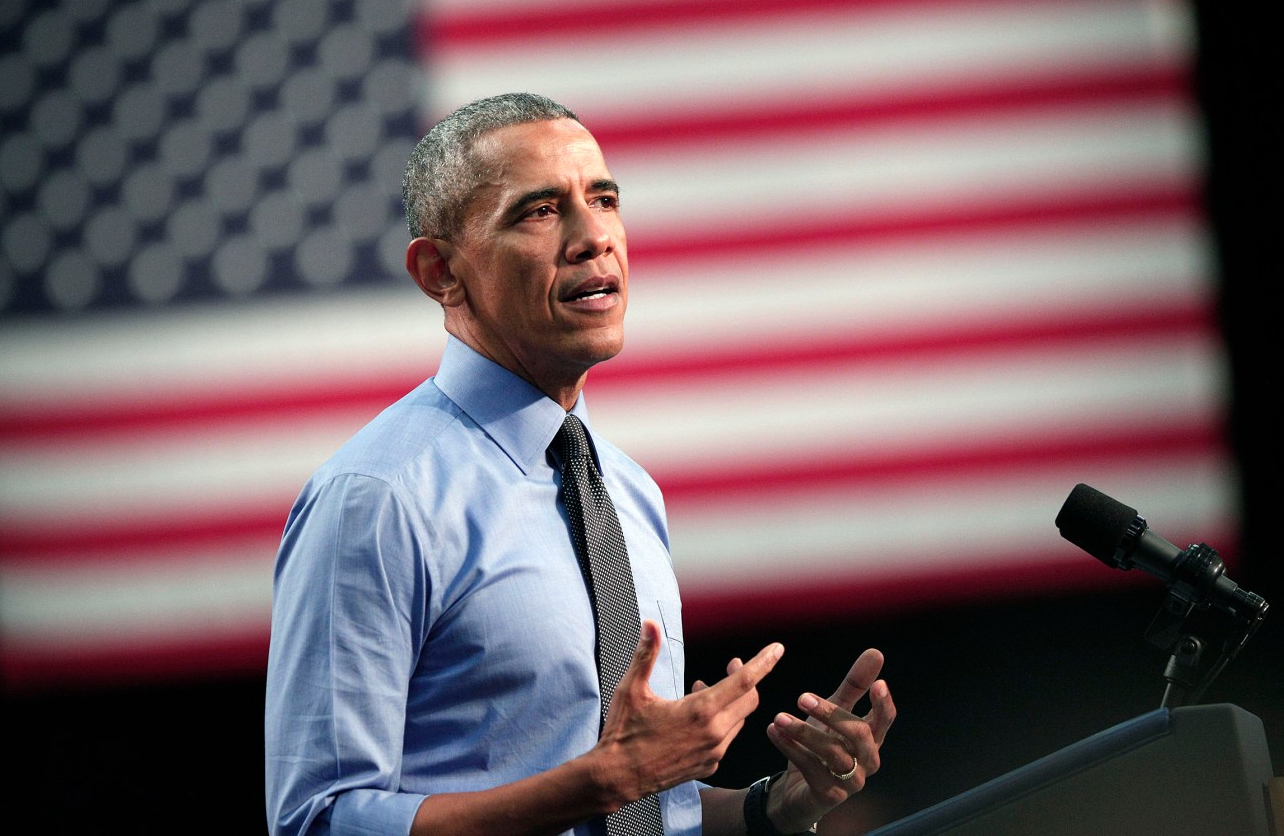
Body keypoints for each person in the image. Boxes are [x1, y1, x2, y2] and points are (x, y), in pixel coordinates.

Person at [264, 92, 897, 836]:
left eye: (603, 200)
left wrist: (777, 805)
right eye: (539, 210)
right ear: (440, 271)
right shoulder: (376, 499)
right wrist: (597, 782)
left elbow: (647, 816)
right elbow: (319, 820)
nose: (593, 237)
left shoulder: (627, 491)